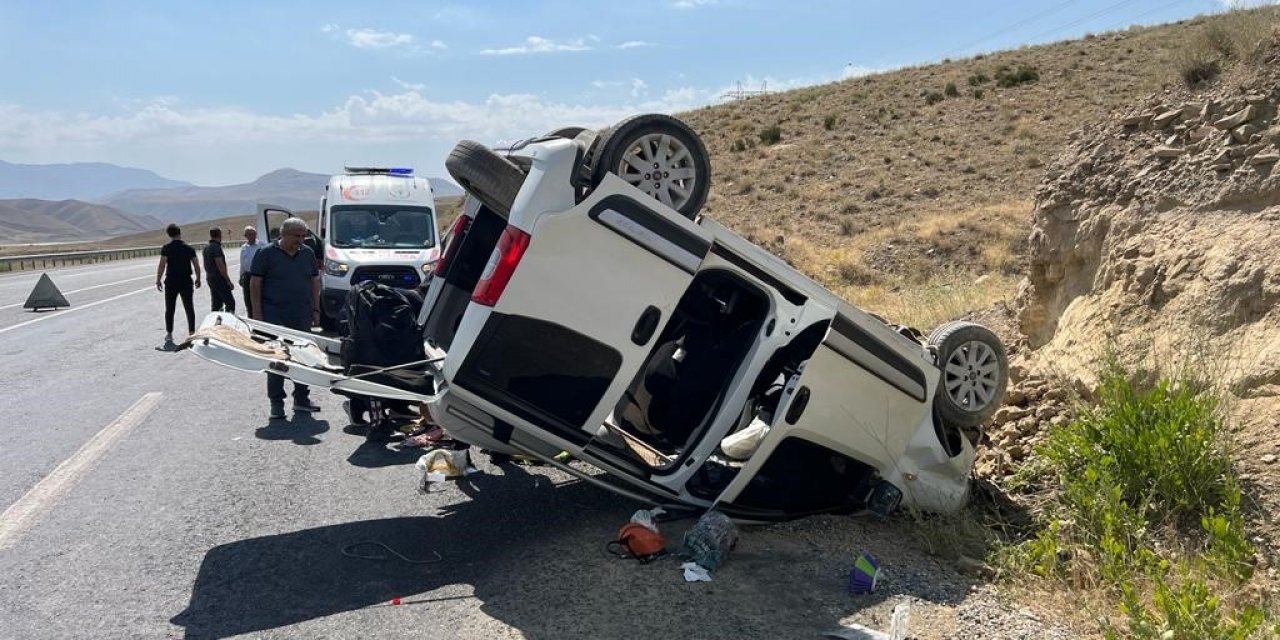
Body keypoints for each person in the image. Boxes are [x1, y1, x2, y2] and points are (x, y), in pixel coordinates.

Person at [250, 217, 322, 420]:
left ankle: (301, 399)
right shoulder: (265, 254)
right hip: (274, 315)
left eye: (303, 236)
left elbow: (314, 281)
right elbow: (255, 284)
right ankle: (276, 403)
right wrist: (257, 314)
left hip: (301, 314)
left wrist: (316, 310)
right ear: (283, 234)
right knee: (276, 360)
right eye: (296, 236)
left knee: (303, 358)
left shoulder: (307, 253)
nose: (301, 240)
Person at [156, 223, 201, 349]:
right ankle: (191, 332)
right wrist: (198, 278)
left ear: (169, 235)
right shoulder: (188, 248)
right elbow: (196, 265)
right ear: (179, 233)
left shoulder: (166, 248)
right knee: (189, 306)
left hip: (171, 281)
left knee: (170, 308)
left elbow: (162, 265)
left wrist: (158, 279)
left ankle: (169, 333)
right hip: (186, 281)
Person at [203, 228, 235, 313]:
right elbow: (220, 265)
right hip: (219, 279)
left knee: (216, 304)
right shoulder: (216, 247)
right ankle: (228, 319)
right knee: (230, 303)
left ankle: (215, 319)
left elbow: (205, 265)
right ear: (219, 235)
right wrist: (228, 281)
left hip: (210, 278)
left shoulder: (206, 248)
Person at [239, 225, 265, 317]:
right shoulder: (244, 248)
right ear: (245, 236)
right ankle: (251, 318)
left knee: (260, 298)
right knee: (248, 300)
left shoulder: (262, 245)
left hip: (260, 275)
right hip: (247, 276)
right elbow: (242, 263)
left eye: (253, 234)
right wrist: (241, 276)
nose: (251, 236)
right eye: (249, 234)